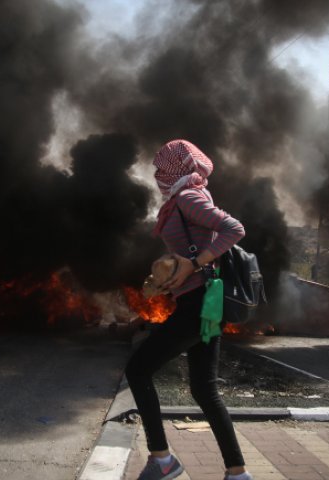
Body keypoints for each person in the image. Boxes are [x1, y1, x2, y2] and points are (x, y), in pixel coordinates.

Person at [126, 139, 252, 480]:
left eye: (162, 167)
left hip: (199, 305)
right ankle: (238, 473)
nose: (156, 173)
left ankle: (162, 460)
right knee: (204, 389)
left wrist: (194, 263)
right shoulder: (187, 197)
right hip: (204, 304)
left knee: (138, 370)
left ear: (177, 170)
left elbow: (234, 229)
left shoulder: (187, 197)